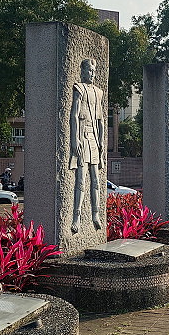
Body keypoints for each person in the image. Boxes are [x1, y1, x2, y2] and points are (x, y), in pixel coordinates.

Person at [69, 58, 104, 233]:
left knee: (96, 180)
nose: (92, 74)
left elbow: (101, 119)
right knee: (81, 180)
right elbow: (74, 115)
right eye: (89, 70)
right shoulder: (79, 88)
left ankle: (95, 214)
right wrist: (75, 139)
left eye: (93, 71)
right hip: (82, 136)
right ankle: (76, 217)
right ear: (82, 71)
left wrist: (102, 142)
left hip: (94, 138)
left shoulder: (98, 92)